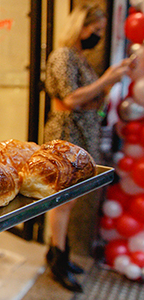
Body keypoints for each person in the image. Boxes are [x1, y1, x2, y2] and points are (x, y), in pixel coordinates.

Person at [44, 4, 132, 292]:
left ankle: (60, 252)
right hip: (68, 133)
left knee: (71, 200)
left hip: (83, 132)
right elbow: (70, 99)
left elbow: (89, 99)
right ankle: (57, 258)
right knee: (63, 200)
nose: (98, 36)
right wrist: (106, 79)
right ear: (80, 26)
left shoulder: (80, 57)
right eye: (96, 30)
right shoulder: (63, 56)